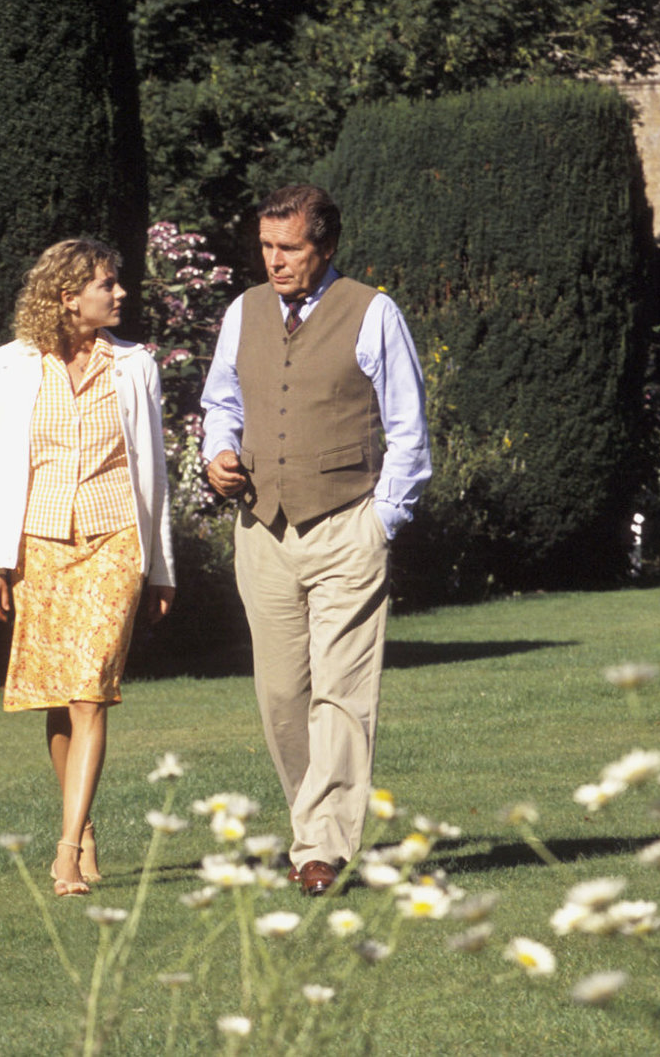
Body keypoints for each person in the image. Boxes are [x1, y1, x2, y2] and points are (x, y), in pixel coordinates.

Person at [201, 185, 430, 896]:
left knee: (341, 693)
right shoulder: (243, 312)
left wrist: (382, 520)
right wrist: (217, 453)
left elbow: (409, 428)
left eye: (290, 248)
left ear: (325, 247)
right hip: (262, 528)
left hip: (346, 525)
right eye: (266, 247)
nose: (275, 261)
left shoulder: (373, 312)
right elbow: (221, 401)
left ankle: (320, 847)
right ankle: (313, 827)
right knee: (281, 695)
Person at [0, 238, 175, 897]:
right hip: (41, 545)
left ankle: (64, 853)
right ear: (67, 297)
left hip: (115, 540)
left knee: (91, 691)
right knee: (60, 695)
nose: (120, 293)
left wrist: (162, 567)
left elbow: (155, 472)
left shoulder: (135, 365)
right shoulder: (11, 366)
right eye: (106, 284)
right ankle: (82, 823)